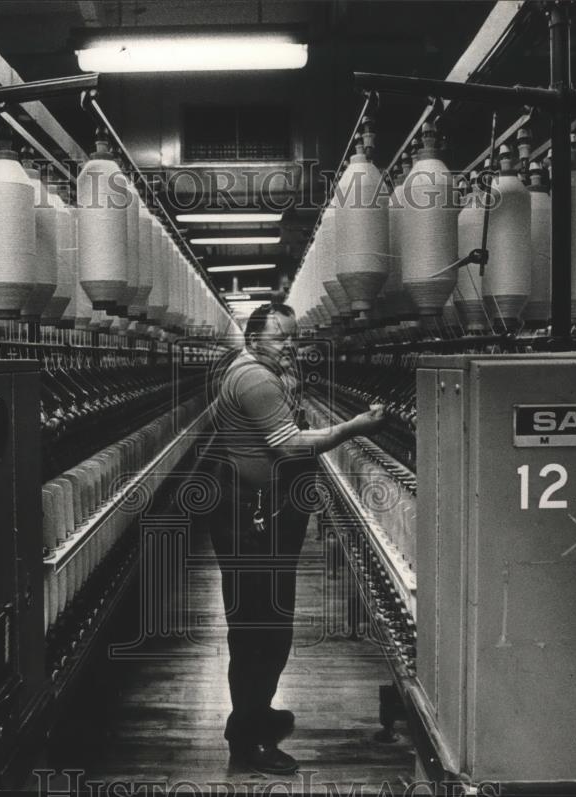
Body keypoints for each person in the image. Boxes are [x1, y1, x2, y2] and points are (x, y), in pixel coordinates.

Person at [196, 302, 385, 775]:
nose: (291, 347)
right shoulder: (256, 379)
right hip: (247, 518)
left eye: (294, 339)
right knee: (260, 630)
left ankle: (257, 714)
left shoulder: (256, 372)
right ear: (254, 339)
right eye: (282, 339)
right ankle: (249, 742)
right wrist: (351, 428)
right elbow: (287, 443)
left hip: (253, 512)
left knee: (264, 624)